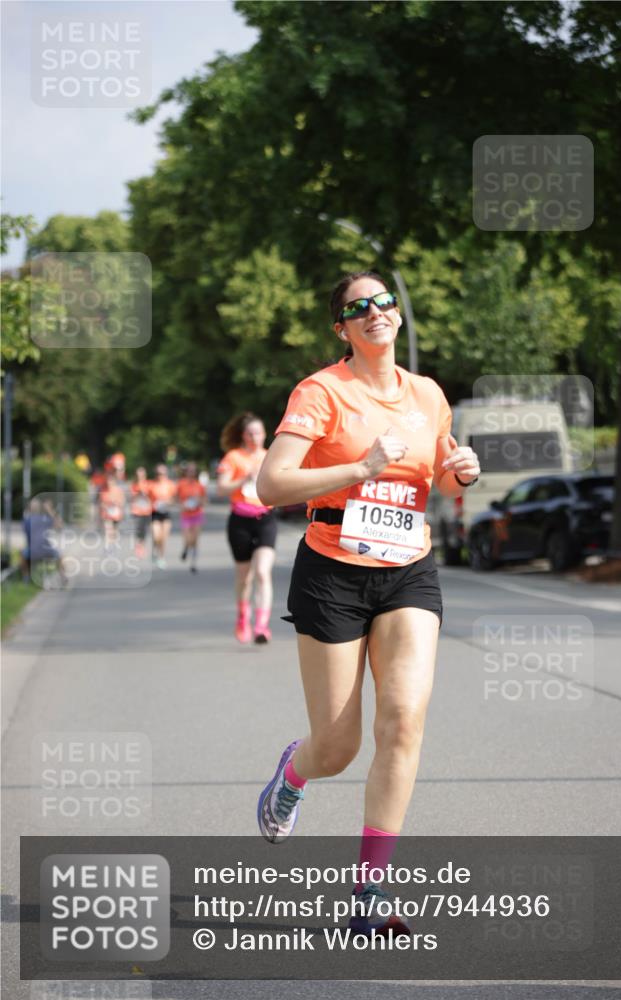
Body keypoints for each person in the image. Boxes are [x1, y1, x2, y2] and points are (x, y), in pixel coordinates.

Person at [255, 271, 480, 937]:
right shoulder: (322, 392)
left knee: (404, 721)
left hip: (407, 568)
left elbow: (436, 473)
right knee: (337, 746)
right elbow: (271, 484)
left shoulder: (427, 394)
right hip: (331, 571)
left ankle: (369, 891)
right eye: (359, 307)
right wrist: (357, 469)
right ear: (343, 329)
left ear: (395, 316)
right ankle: (292, 774)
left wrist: (457, 470)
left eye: (383, 301)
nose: (376, 311)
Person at [217, 413, 277, 644]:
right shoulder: (233, 457)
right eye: (250, 433)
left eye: (258, 433)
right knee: (245, 577)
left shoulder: (270, 456)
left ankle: (261, 626)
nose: (254, 437)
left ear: (264, 435)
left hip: (265, 518)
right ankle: (243, 615)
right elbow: (222, 489)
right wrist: (244, 479)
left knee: (262, 572)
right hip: (240, 520)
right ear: (244, 435)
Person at [20, 498, 68, 586]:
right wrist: (50, 510)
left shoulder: (37, 519)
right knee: (59, 555)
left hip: (39, 549)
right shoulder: (35, 519)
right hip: (39, 549)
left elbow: (60, 526)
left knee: (23, 554)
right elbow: (60, 525)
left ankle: (26, 579)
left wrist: (49, 510)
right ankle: (63, 576)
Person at [176, 462, 207, 573]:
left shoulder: (200, 486)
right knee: (188, 538)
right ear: (186, 472)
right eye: (189, 471)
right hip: (185, 515)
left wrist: (199, 501)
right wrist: (181, 505)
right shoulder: (181, 484)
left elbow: (205, 501)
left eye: (193, 471)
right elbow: (176, 498)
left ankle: (193, 563)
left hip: (197, 514)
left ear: (195, 473)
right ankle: (185, 548)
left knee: (195, 540)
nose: (191, 473)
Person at [149, 464, 176, 569]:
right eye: (158, 473)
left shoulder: (170, 485)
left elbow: (175, 499)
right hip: (155, 513)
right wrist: (152, 504)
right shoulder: (151, 485)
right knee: (156, 535)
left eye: (162, 473)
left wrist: (168, 502)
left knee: (164, 537)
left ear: (166, 474)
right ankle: (155, 549)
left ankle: (161, 557)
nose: (160, 475)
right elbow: (146, 499)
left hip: (166, 513)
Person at [98, 466, 126, 549]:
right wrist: (104, 506)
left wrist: (116, 503)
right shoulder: (103, 490)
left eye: (111, 480)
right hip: (106, 513)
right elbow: (100, 502)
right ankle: (107, 546)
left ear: (114, 481)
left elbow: (122, 502)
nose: (109, 482)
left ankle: (113, 544)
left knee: (114, 530)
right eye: (108, 480)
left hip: (116, 513)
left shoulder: (118, 490)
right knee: (108, 528)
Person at [130, 467, 153, 558]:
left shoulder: (149, 484)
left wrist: (146, 495)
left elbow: (152, 496)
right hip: (137, 510)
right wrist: (138, 494)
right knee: (138, 529)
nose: (140, 476)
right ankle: (138, 546)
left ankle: (142, 545)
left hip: (147, 510)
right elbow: (132, 497)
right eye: (138, 474)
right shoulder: (134, 485)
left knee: (144, 530)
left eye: (142, 474)